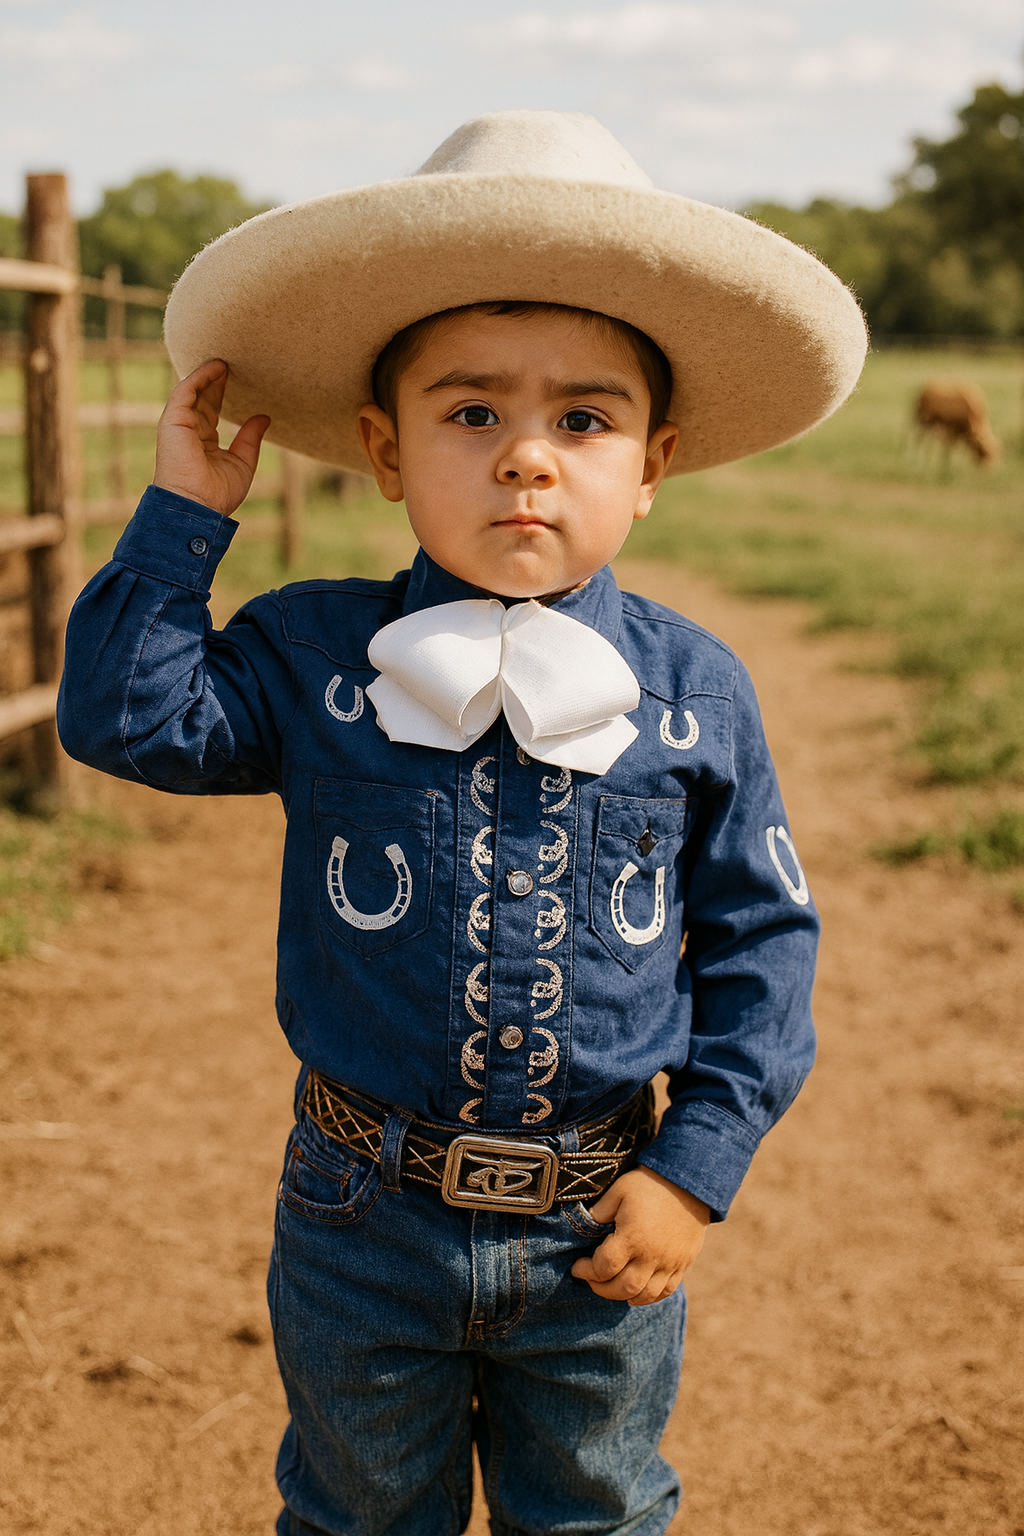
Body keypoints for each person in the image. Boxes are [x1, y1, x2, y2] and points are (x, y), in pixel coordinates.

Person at [58, 112, 866, 1536]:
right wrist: (186, 516)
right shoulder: (316, 656)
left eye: (584, 419)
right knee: (361, 1512)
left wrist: (697, 1171)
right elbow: (128, 720)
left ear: (654, 459)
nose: (528, 461)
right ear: (384, 447)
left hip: (598, 1222)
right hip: (360, 1210)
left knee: (597, 1514)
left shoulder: (693, 695)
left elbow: (762, 940)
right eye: (472, 412)